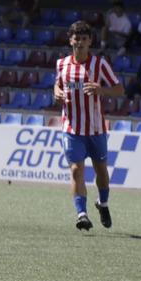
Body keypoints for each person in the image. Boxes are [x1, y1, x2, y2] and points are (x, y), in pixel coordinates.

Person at [53, 21, 125, 231]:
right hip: (72, 129)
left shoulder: (100, 65)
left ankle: (102, 204)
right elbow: (58, 84)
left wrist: (101, 90)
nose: (80, 43)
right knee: (76, 170)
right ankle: (81, 214)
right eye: (77, 38)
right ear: (71, 40)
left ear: (90, 42)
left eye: (84, 39)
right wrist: (55, 92)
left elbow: (119, 90)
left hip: (96, 130)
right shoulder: (62, 64)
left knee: (101, 171)